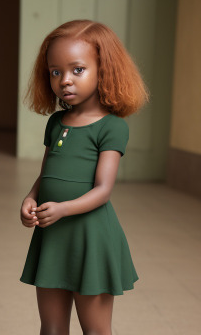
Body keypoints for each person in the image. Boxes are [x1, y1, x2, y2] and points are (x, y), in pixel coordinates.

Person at [19, 19, 150, 335]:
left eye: (77, 70)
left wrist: (62, 208)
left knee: (95, 330)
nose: (65, 80)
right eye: (55, 71)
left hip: (90, 237)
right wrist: (31, 197)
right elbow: (46, 173)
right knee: (51, 328)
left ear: (104, 70)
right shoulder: (56, 122)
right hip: (53, 236)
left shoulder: (111, 126)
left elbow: (103, 190)